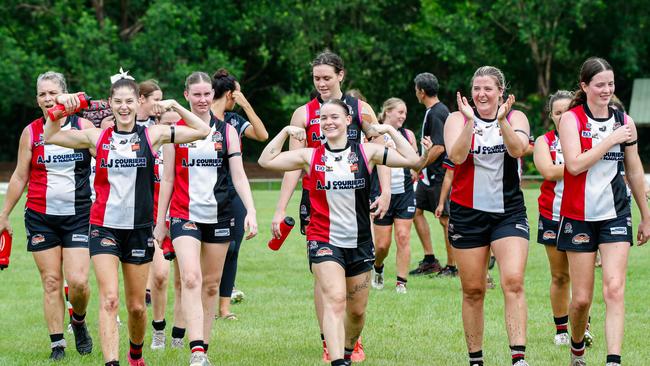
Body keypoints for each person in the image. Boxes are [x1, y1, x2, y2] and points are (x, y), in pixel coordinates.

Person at [43, 69, 211, 366]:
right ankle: (112, 362)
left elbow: (201, 130)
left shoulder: (154, 134)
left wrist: (174, 106)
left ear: (137, 103)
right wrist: (62, 107)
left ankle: (135, 355)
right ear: (110, 103)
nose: (123, 106)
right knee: (110, 300)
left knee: (136, 307)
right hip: (103, 227)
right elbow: (51, 134)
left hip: (138, 229)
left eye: (129, 101)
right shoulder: (98, 137)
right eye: (118, 101)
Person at [259, 98, 420, 366]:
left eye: (334, 117)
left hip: (359, 241)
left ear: (348, 121)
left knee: (356, 312)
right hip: (323, 238)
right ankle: (338, 361)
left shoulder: (367, 152)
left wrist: (389, 131)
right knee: (334, 299)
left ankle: (347, 349)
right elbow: (266, 160)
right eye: (323, 118)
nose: (328, 122)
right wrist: (287, 131)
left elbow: (413, 159)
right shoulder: (309, 156)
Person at [270, 50, 384, 362]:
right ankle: (327, 339)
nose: (321, 83)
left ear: (341, 76)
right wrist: (281, 208)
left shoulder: (361, 110)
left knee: (355, 281)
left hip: (355, 197)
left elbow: (379, 150)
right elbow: (292, 165)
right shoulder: (303, 115)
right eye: (316, 78)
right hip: (317, 200)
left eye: (327, 78)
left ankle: (351, 338)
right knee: (325, 276)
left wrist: (385, 190)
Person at [153, 71, 258, 366]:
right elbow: (169, 178)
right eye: (196, 94)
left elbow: (238, 175)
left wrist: (250, 210)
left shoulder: (228, 132)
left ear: (213, 95)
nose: (202, 99)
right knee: (190, 277)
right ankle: (196, 350)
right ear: (186, 96)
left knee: (211, 285)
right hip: (184, 215)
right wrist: (161, 222)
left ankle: (204, 348)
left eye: (206, 94)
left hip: (220, 214)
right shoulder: (177, 131)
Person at [557, 57, 650, 366]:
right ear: (585, 87)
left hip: (616, 213)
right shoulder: (571, 119)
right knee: (581, 299)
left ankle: (613, 360)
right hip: (578, 215)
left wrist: (646, 215)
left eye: (610, 84)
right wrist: (609, 140)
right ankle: (577, 347)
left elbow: (634, 171)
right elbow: (574, 164)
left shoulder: (625, 121)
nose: (607, 90)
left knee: (614, 289)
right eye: (600, 85)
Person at [0, 71, 94, 361]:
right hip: (41, 216)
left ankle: (77, 321)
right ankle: (57, 345)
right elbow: (19, 176)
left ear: (64, 94)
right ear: (37, 99)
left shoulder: (83, 125)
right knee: (52, 281)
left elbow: (105, 158)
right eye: (42, 94)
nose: (48, 98)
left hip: (79, 214)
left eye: (53, 92)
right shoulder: (31, 132)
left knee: (77, 282)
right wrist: (4, 215)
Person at [444, 66, 531, 366]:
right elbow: (456, 156)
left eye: (488, 89)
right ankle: (476, 360)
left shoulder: (515, 117)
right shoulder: (457, 119)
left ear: (500, 93)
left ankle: (518, 358)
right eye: (477, 88)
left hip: (508, 212)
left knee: (514, 281)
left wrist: (500, 120)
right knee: (473, 290)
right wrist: (470, 122)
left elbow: (518, 149)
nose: (481, 94)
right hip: (467, 214)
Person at [534, 90, 594, 347]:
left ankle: (584, 328)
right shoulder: (543, 141)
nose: (562, 117)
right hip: (552, 215)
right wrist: (576, 164)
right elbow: (547, 171)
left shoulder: (587, 138)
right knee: (560, 275)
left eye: (566, 111)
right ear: (551, 116)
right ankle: (560, 329)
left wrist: (580, 162)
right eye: (557, 113)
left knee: (582, 278)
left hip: (583, 215)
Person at [210, 68, 268, 320]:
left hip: (234, 190)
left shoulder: (234, 120)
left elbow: (262, 135)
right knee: (209, 248)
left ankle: (224, 308)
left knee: (232, 248)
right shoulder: (199, 118)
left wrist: (246, 105)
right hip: (205, 191)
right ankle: (204, 303)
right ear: (230, 93)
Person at [370, 98, 422, 293]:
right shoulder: (375, 133)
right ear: (387, 112)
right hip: (381, 194)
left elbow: (415, 163)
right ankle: (378, 267)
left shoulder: (408, 135)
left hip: (405, 194)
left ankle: (401, 282)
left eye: (405, 113)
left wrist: (420, 164)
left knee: (403, 236)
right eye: (400, 112)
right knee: (382, 246)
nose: (403, 116)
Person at [409, 72, 449, 276]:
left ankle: (453, 267)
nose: (415, 93)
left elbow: (439, 148)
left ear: (422, 92)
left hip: (440, 174)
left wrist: (418, 165)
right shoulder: (432, 111)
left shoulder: (437, 112)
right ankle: (430, 260)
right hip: (428, 175)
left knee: (445, 219)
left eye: (416, 90)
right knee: (415, 210)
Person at [434, 157, 458, 277]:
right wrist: (441, 203)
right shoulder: (455, 146)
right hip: (461, 201)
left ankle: (486, 276)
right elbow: (449, 175)